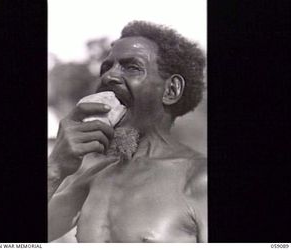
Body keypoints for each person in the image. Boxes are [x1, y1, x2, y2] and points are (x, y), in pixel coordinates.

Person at [48, 20, 207, 243]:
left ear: (171, 90)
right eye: (106, 68)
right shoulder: (92, 180)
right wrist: (55, 167)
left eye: (132, 67)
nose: (107, 77)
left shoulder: (200, 179)